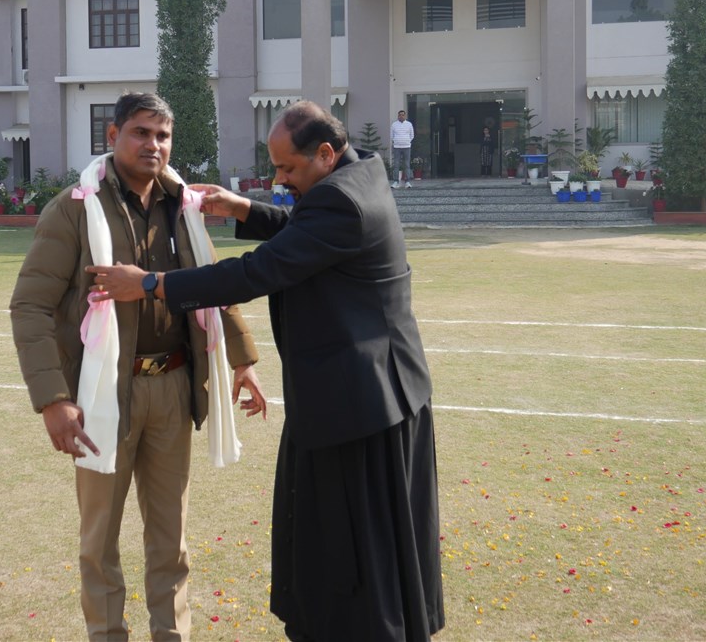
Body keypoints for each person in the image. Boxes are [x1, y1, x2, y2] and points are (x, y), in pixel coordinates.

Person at [89, 101, 445, 642]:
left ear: (324, 154)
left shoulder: (342, 202)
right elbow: (306, 230)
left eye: (287, 168)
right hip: (373, 397)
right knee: (359, 549)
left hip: (359, 409)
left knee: (353, 555)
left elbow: (263, 269)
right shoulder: (361, 172)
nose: (279, 180)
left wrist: (151, 284)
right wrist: (243, 210)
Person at [10, 91, 266, 642]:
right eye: (141, 133)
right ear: (113, 136)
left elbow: (209, 283)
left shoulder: (184, 206)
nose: (153, 145)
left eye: (162, 135)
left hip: (173, 386)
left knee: (170, 538)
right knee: (100, 540)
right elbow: (30, 305)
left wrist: (242, 361)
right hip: (103, 395)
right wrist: (53, 399)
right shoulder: (76, 207)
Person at [390, 108, 415, 189]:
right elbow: (392, 136)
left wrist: (407, 141)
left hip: (407, 147)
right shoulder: (394, 124)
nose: (401, 116)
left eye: (403, 115)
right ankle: (395, 182)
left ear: (405, 116)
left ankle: (407, 182)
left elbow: (412, 135)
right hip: (397, 147)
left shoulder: (409, 124)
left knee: (407, 164)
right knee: (396, 164)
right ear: (398, 116)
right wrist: (396, 141)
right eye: (400, 115)